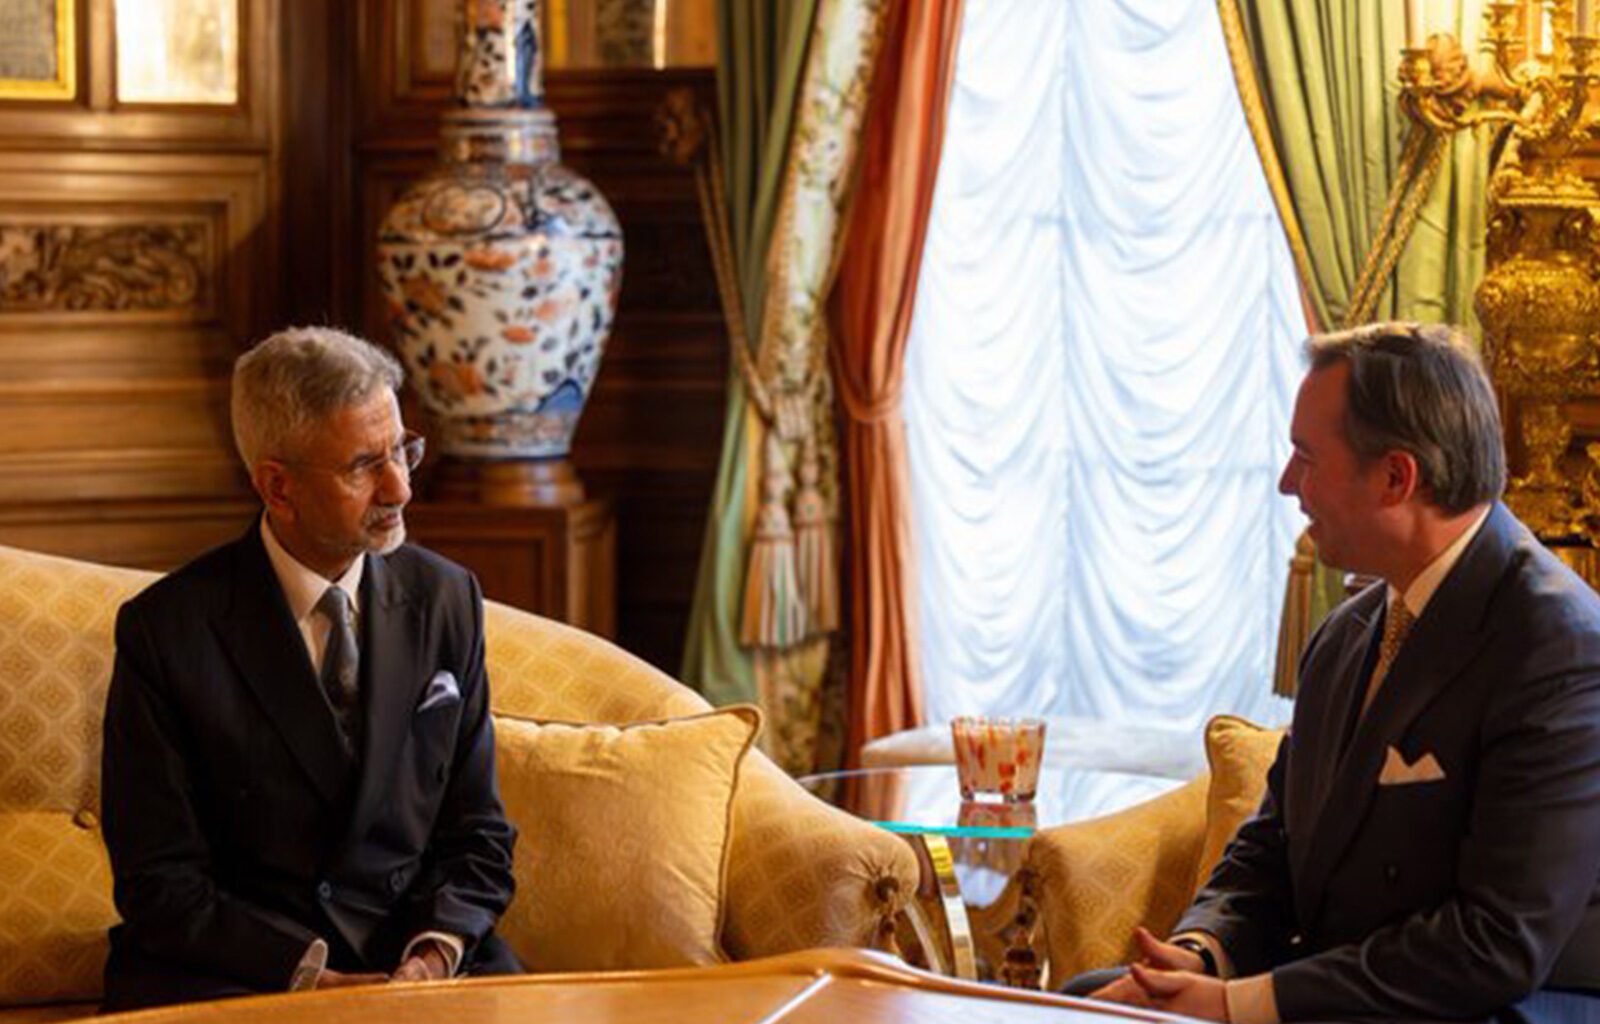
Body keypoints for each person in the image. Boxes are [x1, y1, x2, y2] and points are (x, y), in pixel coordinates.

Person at [1088, 323, 1600, 1023]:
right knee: (1087, 1003)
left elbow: (1495, 945)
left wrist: (1239, 1005)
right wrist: (1206, 951)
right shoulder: (1350, 629)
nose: (1286, 483)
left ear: (1396, 476)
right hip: (1352, 988)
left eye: (1305, 457)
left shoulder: (1560, 646)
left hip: (1499, 1004)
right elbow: (1274, 843)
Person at [100, 326, 519, 1010]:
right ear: (278, 486)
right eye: (363, 466)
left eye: (403, 452)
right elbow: (161, 883)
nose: (401, 488)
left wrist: (432, 955)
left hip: (414, 967)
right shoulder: (166, 631)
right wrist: (309, 977)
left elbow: (479, 834)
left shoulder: (448, 599)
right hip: (241, 973)